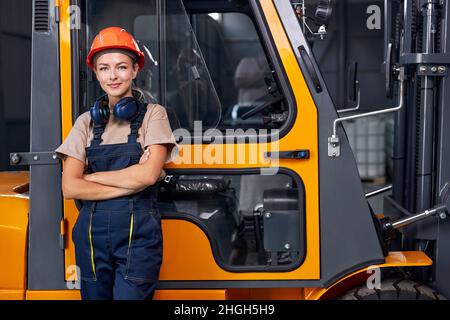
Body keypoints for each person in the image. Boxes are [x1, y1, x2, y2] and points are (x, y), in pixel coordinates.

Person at [55, 27, 179, 300]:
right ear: (96, 73)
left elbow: (147, 177)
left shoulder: (153, 115)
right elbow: (70, 188)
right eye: (104, 68)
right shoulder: (85, 122)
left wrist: (90, 177)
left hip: (138, 236)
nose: (113, 76)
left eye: (121, 67)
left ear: (135, 70)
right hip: (90, 235)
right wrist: (131, 177)